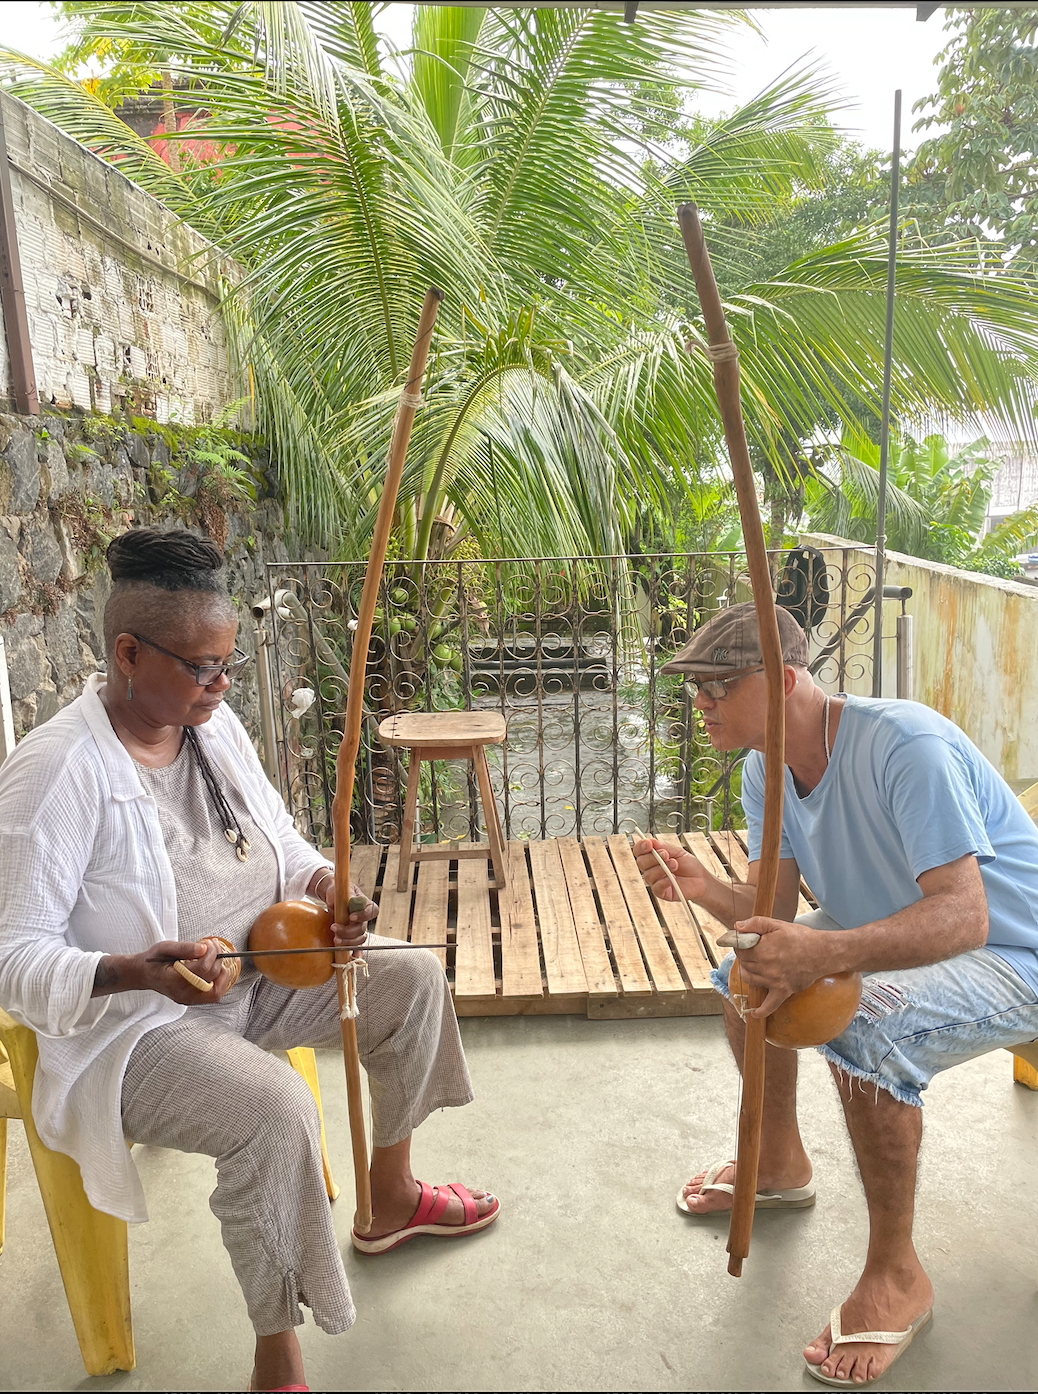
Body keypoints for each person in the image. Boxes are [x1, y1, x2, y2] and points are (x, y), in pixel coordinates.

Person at [0, 529, 499, 1393]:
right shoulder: (55, 773)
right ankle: (280, 1353)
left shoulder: (212, 722)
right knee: (274, 1109)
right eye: (203, 667)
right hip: (137, 1028)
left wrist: (323, 887)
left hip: (270, 965)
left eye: (227, 663)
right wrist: (132, 969)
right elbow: (12, 957)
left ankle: (389, 1198)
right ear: (127, 652)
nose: (222, 684)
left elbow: (283, 840)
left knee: (410, 976)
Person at [635, 601, 1038, 1388]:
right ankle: (779, 1160)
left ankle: (897, 1275)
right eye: (696, 688)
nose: (700, 705)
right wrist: (706, 889)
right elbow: (774, 920)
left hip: (1012, 951)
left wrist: (829, 951)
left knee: (867, 1026)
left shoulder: (903, 745)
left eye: (717, 686)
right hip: (895, 929)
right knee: (743, 972)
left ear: (785, 681)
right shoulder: (765, 769)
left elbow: (964, 915)